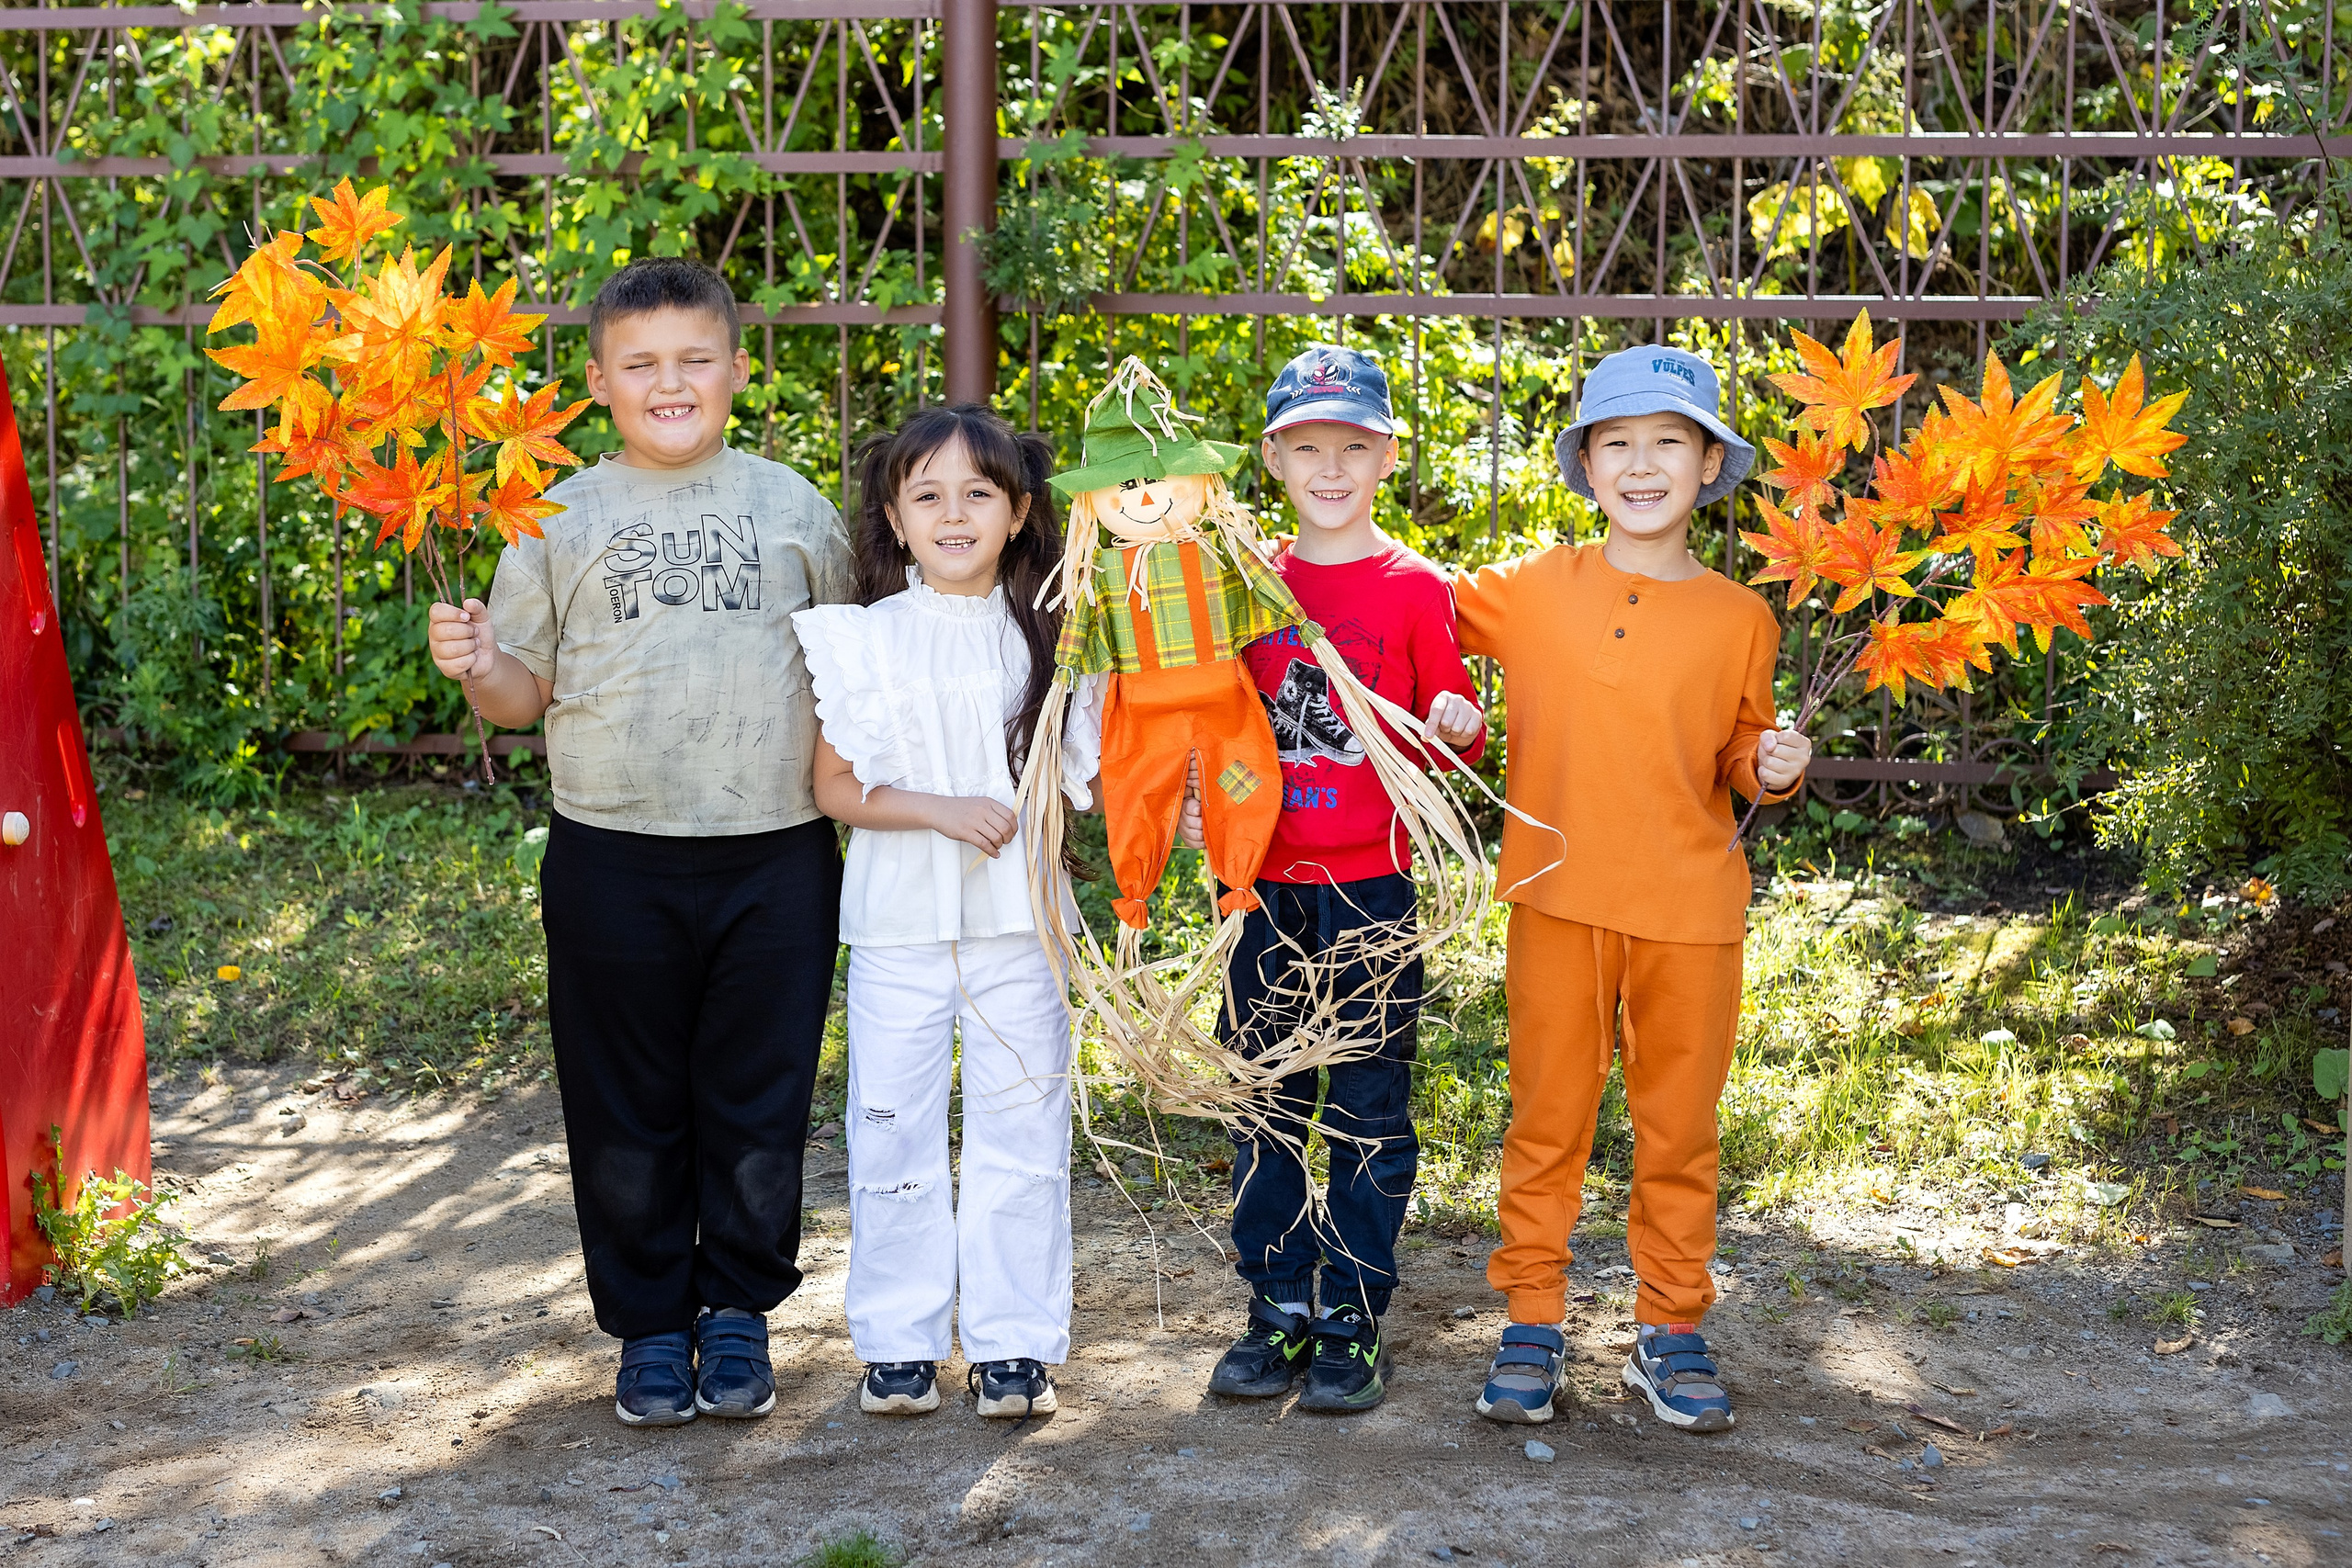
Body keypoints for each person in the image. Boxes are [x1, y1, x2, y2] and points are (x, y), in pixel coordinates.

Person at [424, 256, 853, 1427]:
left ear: (737, 371)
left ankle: (737, 1316)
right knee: (625, 1098)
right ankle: (652, 1327)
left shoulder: (793, 507)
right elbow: (519, 696)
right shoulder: (557, 513)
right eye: (641, 364)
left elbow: (856, 675)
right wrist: (478, 664)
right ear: (602, 382)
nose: (671, 383)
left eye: (693, 360)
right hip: (613, 851)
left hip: (776, 851)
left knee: (757, 1095)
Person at [1452, 344, 1812, 1432]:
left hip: (1690, 915)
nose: (1643, 465)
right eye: (1618, 443)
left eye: (1669, 443)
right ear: (1586, 464)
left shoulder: (1742, 617)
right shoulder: (1528, 590)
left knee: (1678, 1129)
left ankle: (1671, 1328)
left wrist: (1772, 767)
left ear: (1710, 465)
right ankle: (1530, 1321)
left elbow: (1741, 755)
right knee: (1547, 1120)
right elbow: (1402, 616)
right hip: (1556, 900)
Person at [1185, 344, 1486, 1413]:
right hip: (1263, 890)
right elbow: (1201, 716)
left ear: (1386, 455)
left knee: (1365, 1108)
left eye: (1351, 447)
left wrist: (1460, 721)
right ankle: (1275, 1306)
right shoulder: (1242, 579)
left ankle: (1353, 1313)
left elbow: (1450, 723)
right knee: (1265, 1101)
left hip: (1371, 893)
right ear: (1273, 457)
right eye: (1307, 447)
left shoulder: (1413, 589)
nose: (1328, 467)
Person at [794, 404, 1100, 1422]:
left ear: (1018, 513)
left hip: (1023, 929)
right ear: (896, 514)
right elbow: (836, 787)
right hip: (896, 926)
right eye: (928, 495)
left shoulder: (1057, 636)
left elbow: (1097, 775)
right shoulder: (865, 640)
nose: (953, 513)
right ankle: (899, 1342)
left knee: (1023, 1126)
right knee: (891, 1129)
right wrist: (941, 809)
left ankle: (1013, 1344)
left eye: (978, 493)